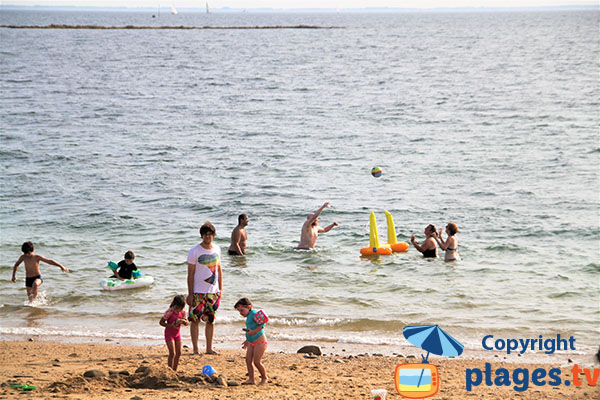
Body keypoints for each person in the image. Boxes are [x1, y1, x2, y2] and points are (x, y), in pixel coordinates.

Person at [187, 221, 223, 355]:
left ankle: (209, 348)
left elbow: (219, 270)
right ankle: (195, 349)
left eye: (210, 234)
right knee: (195, 321)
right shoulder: (194, 251)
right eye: (205, 234)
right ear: (201, 236)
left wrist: (220, 290)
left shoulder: (217, 249)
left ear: (213, 235)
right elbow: (190, 274)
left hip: (213, 292)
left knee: (210, 321)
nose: (208, 237)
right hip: (198, 292)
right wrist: (190, 294)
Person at [234, 297, 268, 385]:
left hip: (260, 342)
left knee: (257, 362)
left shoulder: (253, 313)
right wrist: (247, 341)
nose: (241, 313)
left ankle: (264, 377)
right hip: (251, 342)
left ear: (249, 307)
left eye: (242, 310)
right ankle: (251, 379)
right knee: (248, 360)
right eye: (239, 312)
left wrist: (254, 332)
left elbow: (262, 324)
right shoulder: (248, 316)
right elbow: (251, 329)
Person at [159, 295, 189, 371]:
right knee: (172, 353)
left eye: (181, 308)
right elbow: (161, 322)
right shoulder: (169, 312)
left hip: (177, 334)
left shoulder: (182, 312)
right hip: (169, 334)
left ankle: (174, 370)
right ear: (175, 305)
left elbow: (187, 322)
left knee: (178, 353)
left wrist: (183, 321)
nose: (179, 310)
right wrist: (169, 325)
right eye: (178, 308)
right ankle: (170, 370)